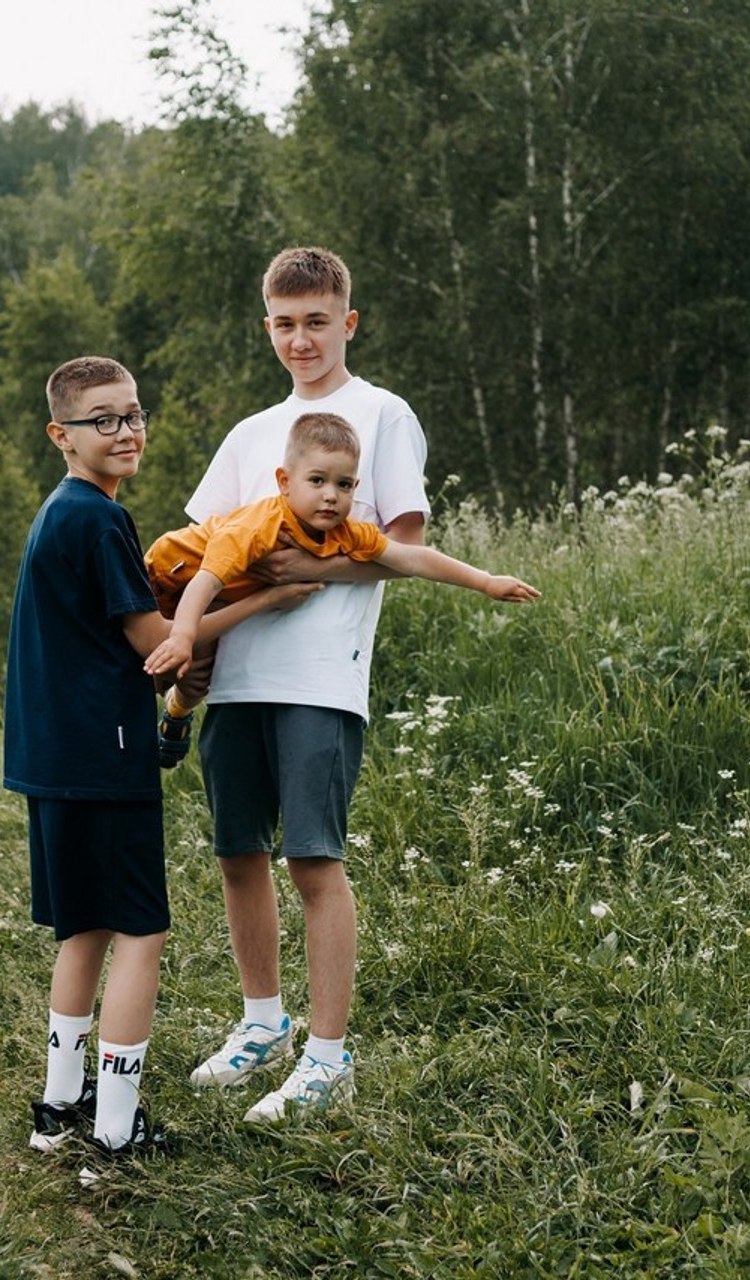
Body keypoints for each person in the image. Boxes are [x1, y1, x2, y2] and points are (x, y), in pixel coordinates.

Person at [3, 356, 318, 1182]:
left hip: (53, 757)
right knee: (142, 930)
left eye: (134, 414)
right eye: (103, 419)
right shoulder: (98, 520)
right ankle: (114, 1128)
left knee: (86, 930)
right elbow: (156, 648)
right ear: (60, 434)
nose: (125, 430)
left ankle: (58, 1106)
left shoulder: (58, 515)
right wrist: (267, 602)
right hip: (102, 756)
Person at [182, 246, 435, 1123]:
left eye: (317, 322)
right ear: (268, 327)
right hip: (238, 672)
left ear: (347, 323)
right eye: (285, 324)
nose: (301, 339)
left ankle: (329, 1056)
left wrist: (308, 575)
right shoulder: (253, 434)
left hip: (323, 675)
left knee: (313, 859)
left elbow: (400, 551)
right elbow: (207, 553)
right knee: (237, 852)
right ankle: (264, 1024)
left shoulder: (383, 414)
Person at [144, 411, 538, 684]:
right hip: (167, 576)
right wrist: (180, 636)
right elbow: (206, 582)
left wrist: (485, 582)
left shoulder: (347, 532)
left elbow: (413, 558)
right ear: (284, 481)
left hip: (213, 599)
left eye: (344, 484)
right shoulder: (260, 525)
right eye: (317, 481)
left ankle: (177, 715)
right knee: (157, 660)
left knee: (194, 675)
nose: (331, 496)